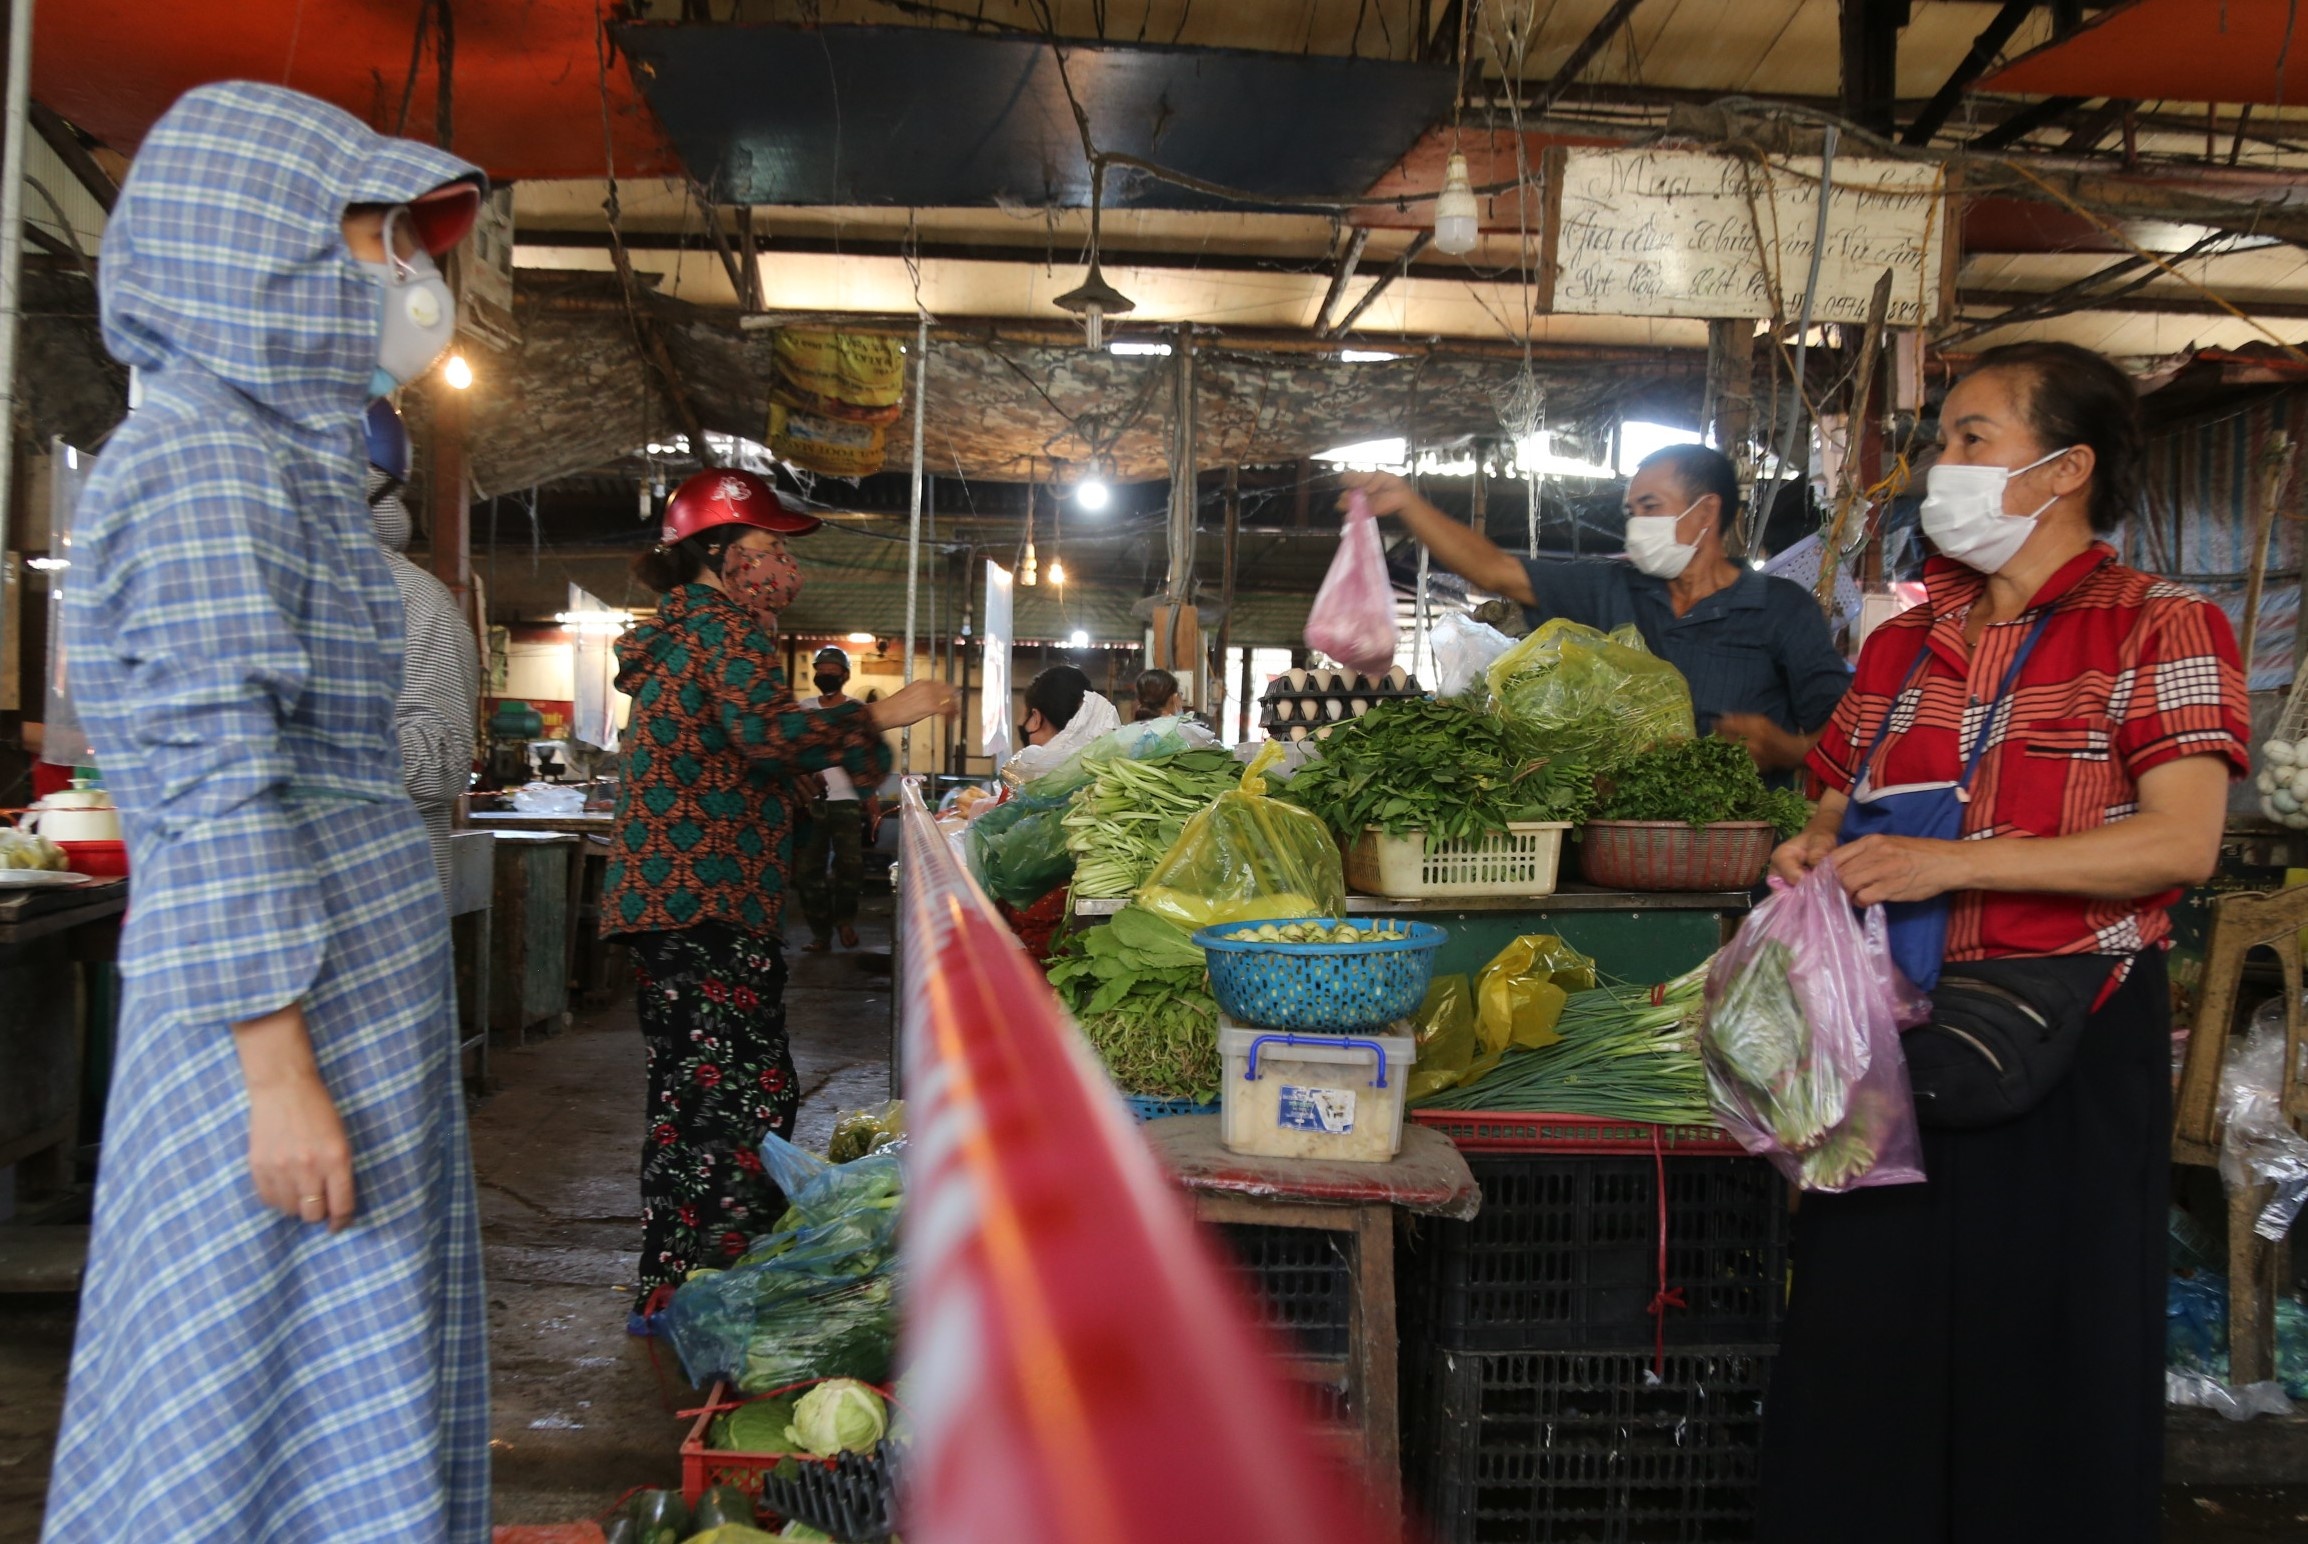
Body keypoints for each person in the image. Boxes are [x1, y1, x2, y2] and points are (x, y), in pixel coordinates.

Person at [45, 83, 491, 1540]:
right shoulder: (197, 467)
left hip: (337, 1008)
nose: (402, 280)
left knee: (317, 1366)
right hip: (282, 1030)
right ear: (256, 252)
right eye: (369, 237)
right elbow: (219, 781)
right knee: (245, 1379)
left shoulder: (270, 463)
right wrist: (276, 1070)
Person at [1758, 342, 2249, 1543]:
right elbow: (1830, 805)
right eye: (1944, 439)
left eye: (1973, 438)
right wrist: (1810, 852)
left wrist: (1956, 861)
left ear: (2063, 468)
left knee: (2046, 1346)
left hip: (2066, 1036)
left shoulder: (2160, 627)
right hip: (1893, 1034)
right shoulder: (1898, 644)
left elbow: (2179, 842)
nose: (1943, 465)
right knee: (1864, 1335)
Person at [605, 468, 953, 1328]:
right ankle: (697, 1291)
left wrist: (810, 789)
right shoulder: (720, 630)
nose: (779, 568)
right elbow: (763, 732)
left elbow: (739, 757)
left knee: (711, 1095)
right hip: (701, 904)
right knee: (732, 1098)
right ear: (717, 555)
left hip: (693, 903)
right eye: (762, 549)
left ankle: (686, 1279)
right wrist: (882, 716)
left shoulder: (691, 633)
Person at [1348, 445, 1850, 773]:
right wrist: (1407, 505)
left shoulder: (1782, 609)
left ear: (1707, 512)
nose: (1636, 524)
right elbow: (1495, 570)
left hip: (1739, 853)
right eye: (1632, 512)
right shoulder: (1609, 588)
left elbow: (1846, 730)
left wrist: (1789, 751)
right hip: (1616, 841)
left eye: (1651, 507)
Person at [365, 397, 479, 897]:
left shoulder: (416, 603)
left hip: (378, 904)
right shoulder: (254, 586)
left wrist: (326, 744)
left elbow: (448, 762)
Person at [796, 645, 881, 952]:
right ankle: (821, 934)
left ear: (845, 675)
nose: (826, 675)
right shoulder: (803, 709)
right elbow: (794, 752)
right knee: (808, 872)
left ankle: (845, 921)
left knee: (851, 867)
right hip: (812, 803)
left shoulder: (857, 711)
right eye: (822, 670)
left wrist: (870, 798)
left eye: (833, 671)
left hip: (847, 801)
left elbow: (867, 758)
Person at [1003, 662, 1121, 785]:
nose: (1021, 724)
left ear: (1036, 718)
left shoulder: (1034, 786)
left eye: (1025, 718)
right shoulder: (1111, 773)